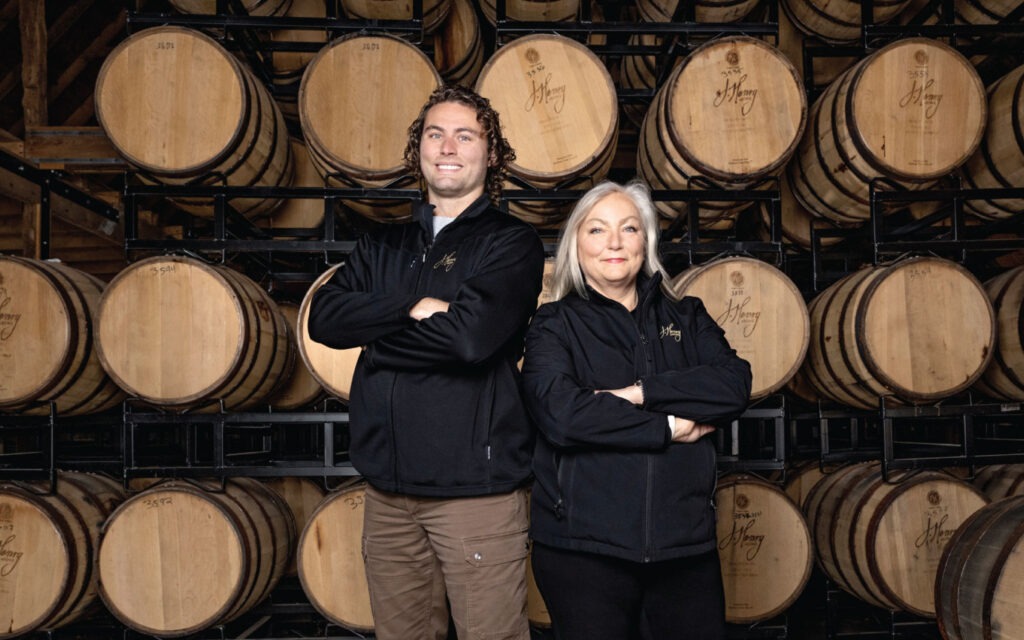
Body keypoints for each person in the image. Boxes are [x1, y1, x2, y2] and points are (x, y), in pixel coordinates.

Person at [306, 84, 544, 640]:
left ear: (491, 153)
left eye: (465, 135)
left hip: (475, 495)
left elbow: (470, 341)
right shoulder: (381, 243)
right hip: (388, 493)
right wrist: (412, 306)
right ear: (418, 151)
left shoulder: (510, 243)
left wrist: (376, 336)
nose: (448, 147)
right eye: (435, 134)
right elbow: (324, 320)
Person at [521, 180, 752, 640]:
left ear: (645, 242)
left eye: (628, 228)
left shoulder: (687, 316)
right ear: (576, 245)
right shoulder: (554, 324)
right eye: (597, 230)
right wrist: (666, 427)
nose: (613, 242)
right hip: (583, 548)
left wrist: (639, 392)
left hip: (684, 547)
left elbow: (733, 386)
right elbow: (562, 416)